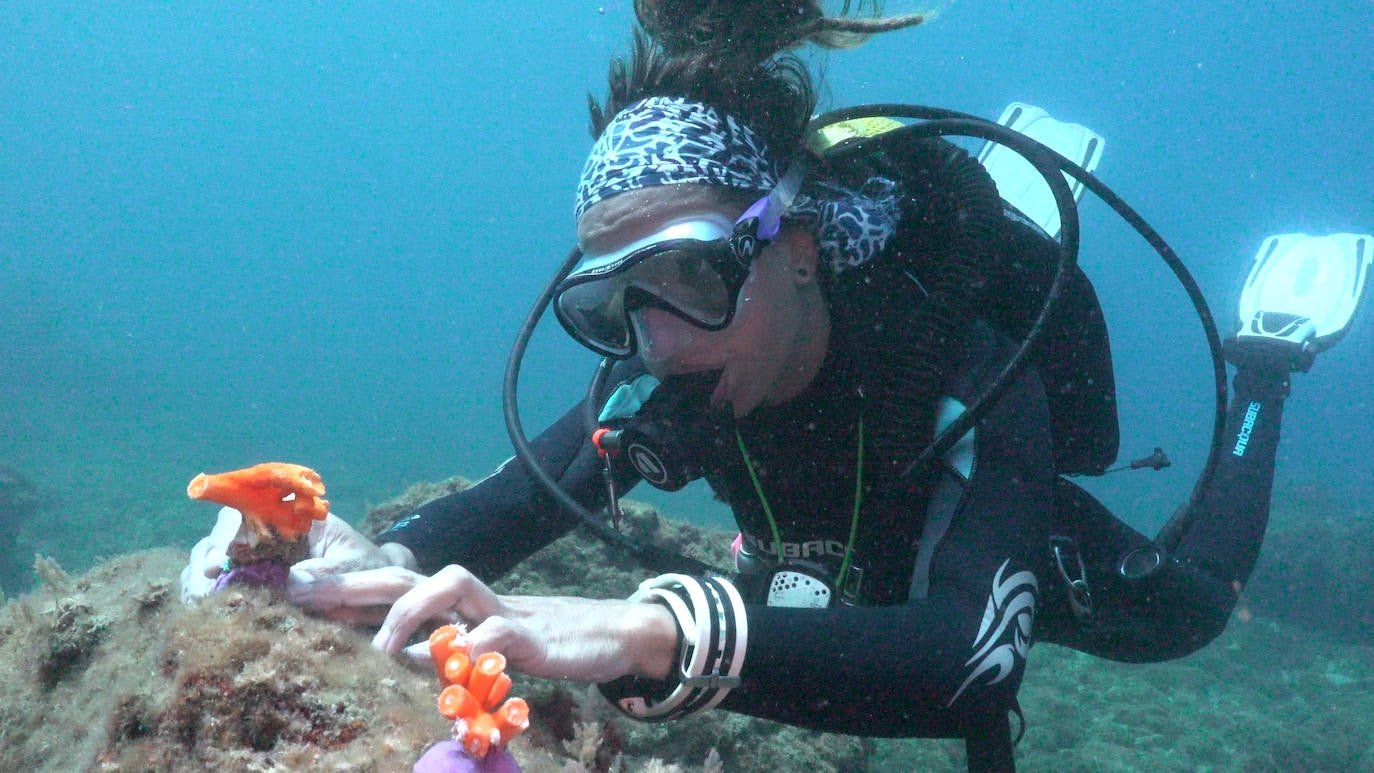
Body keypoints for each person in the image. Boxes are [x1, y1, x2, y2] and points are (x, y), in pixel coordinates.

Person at [180, 3, 1367, 770]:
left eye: (692, 273)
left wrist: (659, 631)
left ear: (794, 245)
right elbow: (508, 505)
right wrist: (342, 553)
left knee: (1191, 607)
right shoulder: (671, 365)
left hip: (978, 547)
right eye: (617, 301)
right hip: (826, 568)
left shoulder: (960, 358)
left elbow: (969, 659)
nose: (656, 341)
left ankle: (1267, 360)